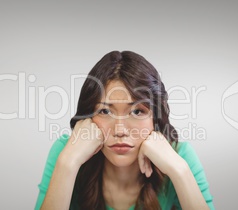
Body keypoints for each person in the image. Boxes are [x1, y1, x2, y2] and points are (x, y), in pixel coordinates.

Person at [35, 51, 214, 210]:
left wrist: (179, 170)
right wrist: (68, 164)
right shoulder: (67, 152)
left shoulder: (179, 155)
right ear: (87, 117)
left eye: (137, 111)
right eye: (105, 111)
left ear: (155, 117)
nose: (120, 131)